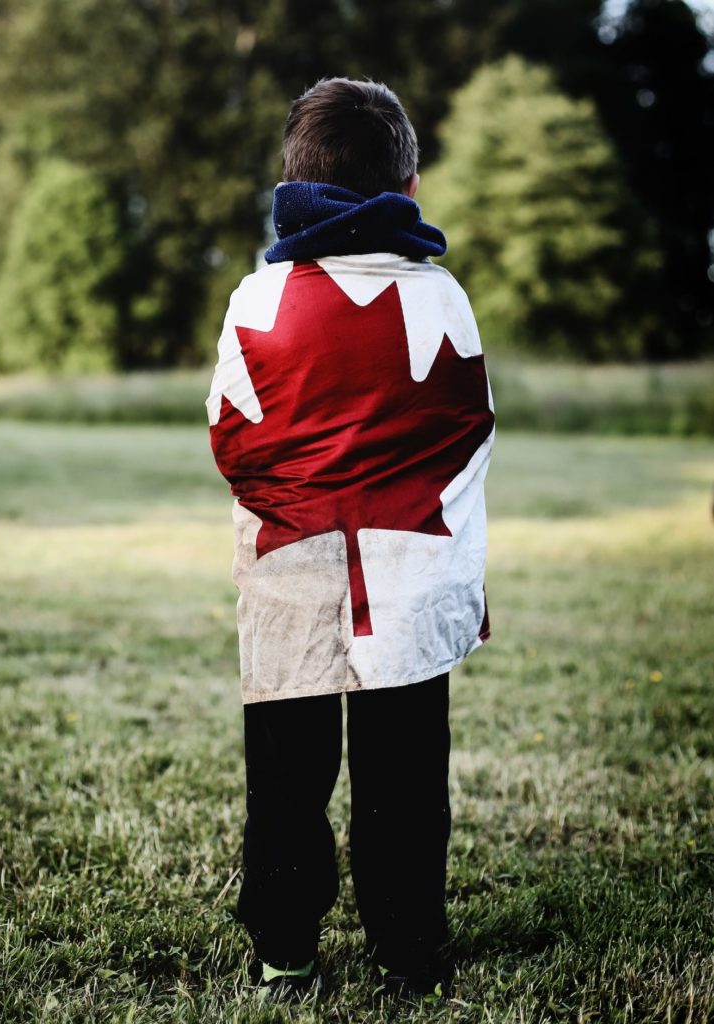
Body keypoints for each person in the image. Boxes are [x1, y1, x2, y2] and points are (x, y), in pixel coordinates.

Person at [205, 77, 495, 1003]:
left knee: (285, 778)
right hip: (410, 576)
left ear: (295, 180)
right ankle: (408, 951)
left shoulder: (257, 300)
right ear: (407, 187)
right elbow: (469, 425)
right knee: (406, 781)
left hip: (289, 572)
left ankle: (285, 947)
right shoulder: (441, 295)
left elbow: (231, 437)